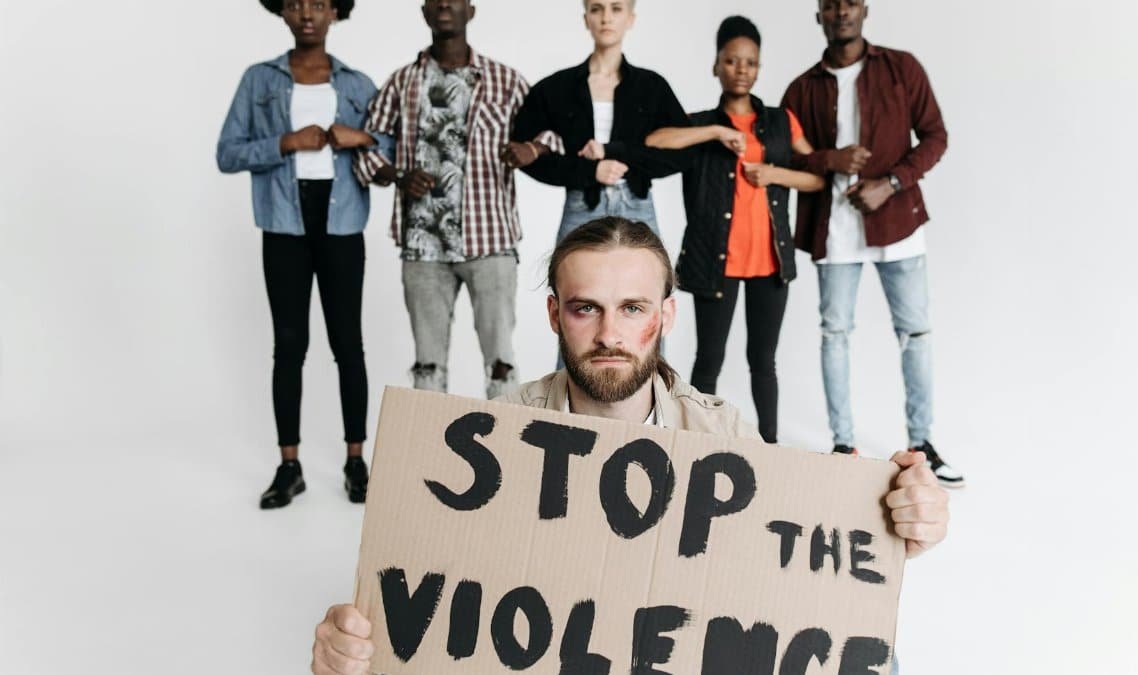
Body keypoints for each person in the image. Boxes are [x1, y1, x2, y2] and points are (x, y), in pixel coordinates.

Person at [308, 217, 950, 675]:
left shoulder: (721, 434)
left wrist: (896, 521)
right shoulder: (490, 437)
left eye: (633, 308)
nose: (610, 334)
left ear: (666, 317)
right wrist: (352, 652)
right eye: (587, 309)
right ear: (555, 315)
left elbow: (789, 578)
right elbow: (433, 593)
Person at [781, 0, 964, 487]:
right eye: (830, 4)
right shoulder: (801, 89)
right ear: (818, 13)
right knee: (835, 334)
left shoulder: (902, 68)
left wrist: (893, 183)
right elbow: (783, 158)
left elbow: (935, 136)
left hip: (898, 224)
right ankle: (843, 444)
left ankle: (921, 444)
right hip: (834, 229)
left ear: (865, 9)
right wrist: (829, 159)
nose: (841, 10)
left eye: (850, 2)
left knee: (916, 333)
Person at [217, 0, 379, 509]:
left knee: (348, 344)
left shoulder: (356, 84)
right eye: (296, 3)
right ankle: (289, 467)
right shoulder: (258, 79)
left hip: (341, 223)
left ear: (335, 11)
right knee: (288, 346)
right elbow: (227, 152)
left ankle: (357, 462)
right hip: (284, 225)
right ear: (282, 12)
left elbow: (391, 150)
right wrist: (284, 142)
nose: (307, 13)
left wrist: (364, 136)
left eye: (318, 3)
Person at [353, 0, 557, 399]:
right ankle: (429, 456)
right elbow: (367, 146)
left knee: (501, 360)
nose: (445, 4)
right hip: (423, 243)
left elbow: (553, 131)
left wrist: (533, 148)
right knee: (427, 364)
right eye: (435, 0)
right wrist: (398, 175)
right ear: (425, 12)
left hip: (491, 241)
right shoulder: (402, 83)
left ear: (471, 11)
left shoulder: (505, 80)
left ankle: (507, 451)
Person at [645, 16, 825, 444]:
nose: (741, 69)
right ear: (716, 66)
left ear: (759, 67)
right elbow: (653, 141)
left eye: (751, 62)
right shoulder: (700, 123)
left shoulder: (782, 122)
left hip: (770, 260)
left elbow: (817, 177)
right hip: (715, 260)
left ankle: (771, 448)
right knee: (709, 359)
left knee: (764, 360)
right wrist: (714, 132)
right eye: (732, 60)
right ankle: (696, 445)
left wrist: (776, 174)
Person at [511, 0, 690, 242]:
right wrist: (588, 171)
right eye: (596, 8)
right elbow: (524, 154)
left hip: (637, 202)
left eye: (616, 8)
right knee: (571, 278)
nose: (606, 17)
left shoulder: (651, 86)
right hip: (580, 204)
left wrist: (627, 162)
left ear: (630, 18)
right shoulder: (556, 88)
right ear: (586, 18)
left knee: (649, 278)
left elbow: (681, 153)